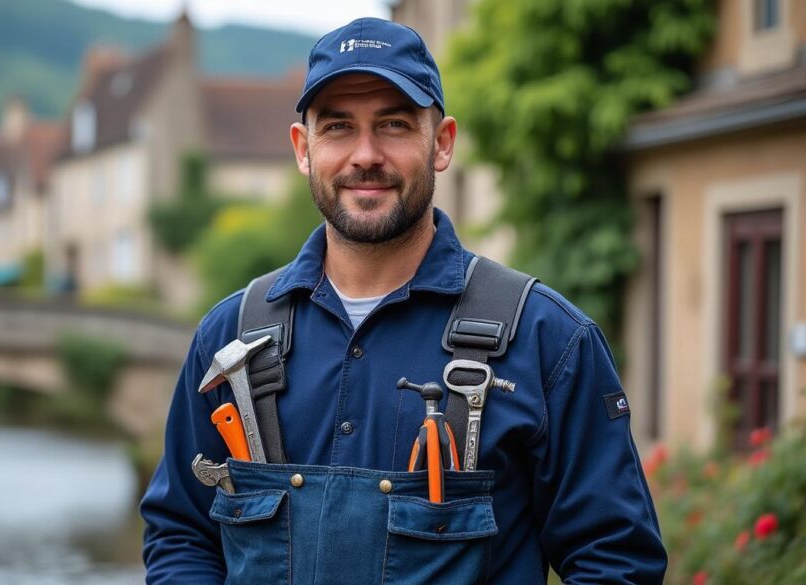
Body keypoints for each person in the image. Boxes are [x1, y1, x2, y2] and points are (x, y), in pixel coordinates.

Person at [141, 17, 666, 584]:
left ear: (441, 144)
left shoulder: (547, 339)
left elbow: (617, 563)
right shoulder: (230, 335)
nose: (366, 155)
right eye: (338, 127)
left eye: (393, 124)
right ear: (303, 149)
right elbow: (181, 536)